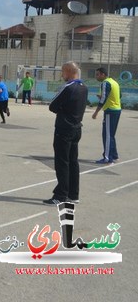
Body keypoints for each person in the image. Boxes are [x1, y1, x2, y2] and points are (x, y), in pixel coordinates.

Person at [43, 62, 88, 205]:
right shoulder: (84, 87)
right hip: (76, 128)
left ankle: (60, 195)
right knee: (73, 162)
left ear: (68, 72)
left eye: (63, 72)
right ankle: (73, 194)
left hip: (64, 129)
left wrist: (62, 109)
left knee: (62, 162)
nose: (62, 75)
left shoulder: (68, 87)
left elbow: (53, 106)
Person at [92, 67, 122, 164]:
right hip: (117, 110)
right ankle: (114, 155)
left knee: (107, 135)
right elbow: (119, 95)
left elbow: (104, 98)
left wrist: (96, 112)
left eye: (98, 74)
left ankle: (108, 158)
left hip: (110, 111)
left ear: (103, 75)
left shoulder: (105, 83)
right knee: (111, 135)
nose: (96, 76)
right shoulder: (114, 82)